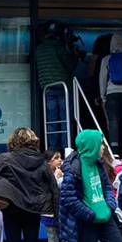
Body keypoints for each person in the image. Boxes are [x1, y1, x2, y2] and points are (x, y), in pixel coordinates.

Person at [36, 22, 77, 152]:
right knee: (65, 121)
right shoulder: (60, 48)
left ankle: (53, 150)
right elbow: (70, 65)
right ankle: (67, 149)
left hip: (47, 88)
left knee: (52, 121)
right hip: (63, 86)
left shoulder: (39, 49)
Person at [45, 149, 66, 242]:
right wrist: (56, 178)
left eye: (60, 158)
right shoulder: (45, 174)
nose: (60, 160)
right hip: (50, 212)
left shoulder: (63, 173)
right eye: (56, 158)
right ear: (49, 161)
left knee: (67, 240)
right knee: (53, 241)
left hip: (63, 212)